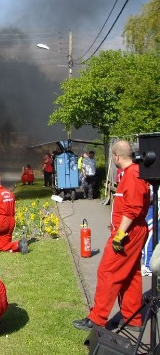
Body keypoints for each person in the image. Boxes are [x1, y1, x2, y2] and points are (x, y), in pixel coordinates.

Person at [73, 140, 150, 332]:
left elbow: (132, 209)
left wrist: (120, 233)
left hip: (127, 234)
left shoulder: (132, 175)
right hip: (132, 231)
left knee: (107, 272)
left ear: (116, 156)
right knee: (131, 274)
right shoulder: (135, 172)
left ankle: (97, 318)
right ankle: (133, 318)